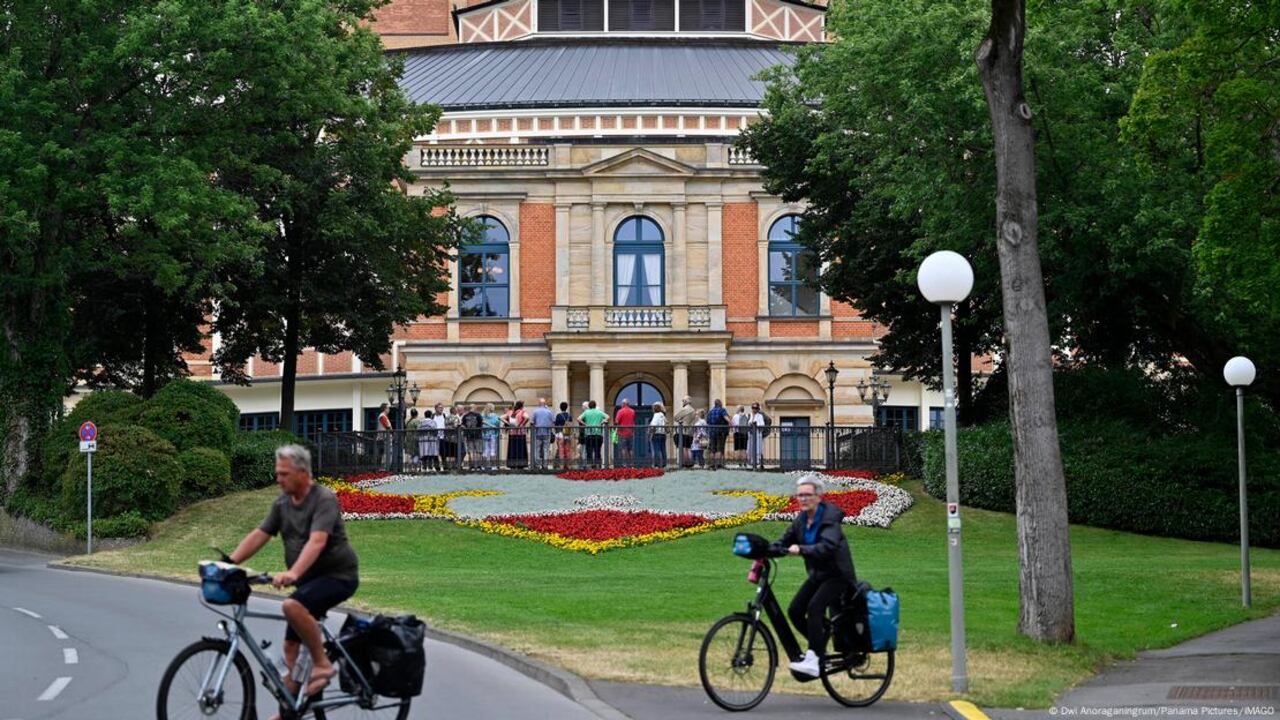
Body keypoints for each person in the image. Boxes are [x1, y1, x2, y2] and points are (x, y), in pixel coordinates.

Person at [227, 445, 359, 710]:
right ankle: (290, 712)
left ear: (302, 472)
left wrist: (293, 572)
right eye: (278, 473)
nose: (278, 479)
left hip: (338, 576)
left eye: (284, 474)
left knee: (291, 606)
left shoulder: (323, 498)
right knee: (290, 647)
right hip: (309, 583)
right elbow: (260, 534)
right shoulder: (282, 503)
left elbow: (317, 540)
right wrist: (228, 563)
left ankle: (322, 665)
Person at [777, 475, 857, 677]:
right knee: (795, 611)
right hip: (819, 575)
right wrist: (762, 551)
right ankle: (819, 648)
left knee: (814, 608)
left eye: (807, 495)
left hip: (838, 575)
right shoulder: (802, 520)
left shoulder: (829, 518)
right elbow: (784, 541)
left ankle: (813, 658)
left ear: (819, 497)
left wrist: (801, 549)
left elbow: (828, 546)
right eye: (799, 495)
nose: (803, 499)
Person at [577, 400, 608, 468]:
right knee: (597, 450)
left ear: (589, 406)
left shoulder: (586, 412)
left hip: (588, 434)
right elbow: (608, 417)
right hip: (598, 433)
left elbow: (578, 419)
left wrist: (585, 424)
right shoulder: (599, 412)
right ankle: (598, 465)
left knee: (589, 450)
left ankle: (590, 465)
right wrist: (601, 422)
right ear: (595, 405)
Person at [530, 398, 555, 470]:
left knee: (537, 449)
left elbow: (532, 422)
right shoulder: (549, 412)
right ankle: (545, 465)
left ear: (539, 404)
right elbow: (553, 421)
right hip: (547, 432)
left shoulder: (535, 411)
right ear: (545, 404)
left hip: (537, 432)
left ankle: (537, 465)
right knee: (546, 449)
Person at [707, 399, 730, 470]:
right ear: (720, 403)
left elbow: (707, 421)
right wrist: (731, 423)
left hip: (711, 432)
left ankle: (712, 464)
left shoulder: (710, 412)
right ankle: (718, 464)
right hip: (721, 432)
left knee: (712, 449)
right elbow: (726, 418)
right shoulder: (722, 410)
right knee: (719, 449)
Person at [504, 400, 529, 469]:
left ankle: (512, 464)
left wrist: (509, 424)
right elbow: (527, 417)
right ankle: (521, 464)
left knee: (512, 448)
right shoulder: (522, 412)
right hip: (520, 433)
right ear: (521, 406)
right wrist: (522, 424)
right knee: (520, 448)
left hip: (512, 433)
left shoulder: (511, 412)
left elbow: (501, 417)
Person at [673, 396, 696, 468]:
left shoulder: (685, 409)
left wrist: (680, 419)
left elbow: (675, 417)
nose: (682, 402)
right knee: (688, 448)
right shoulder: (693, 410)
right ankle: (690, 463)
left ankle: (685, 463)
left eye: (683, 400)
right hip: (690, 431)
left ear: (686, 401)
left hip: (683, 431)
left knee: (684, 448)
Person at [461, 403, 484, 470]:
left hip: (469, 436)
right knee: (478, 451)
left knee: (471, 451)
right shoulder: (478, 415)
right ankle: (478, 466)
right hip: (478, 435)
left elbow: (463, 425)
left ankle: (472, 466)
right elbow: (481, 424)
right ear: (474, 408)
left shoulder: (465, 416)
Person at [553, 401, 574, 468]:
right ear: (566, 407)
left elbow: (556, 425)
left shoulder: (558, 415)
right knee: (568, 450)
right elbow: (571, 424)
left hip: (560, 434)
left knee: (561, 450)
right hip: (568, 434)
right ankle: (568, 465)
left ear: (560, 408)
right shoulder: (569, 415)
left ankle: (562, 465)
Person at [647, 402, 667, 469]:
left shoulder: (656, 415)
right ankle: (664, 464)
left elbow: (653, 425)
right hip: (663, 434)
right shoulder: (662, 415)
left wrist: (651, 434)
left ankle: (657, 464)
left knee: (656, 450)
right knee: (663, 449)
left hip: (656, 434)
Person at [747, 402, 767, 470]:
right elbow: (748, 423)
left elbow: (762, 424)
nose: (754, 409)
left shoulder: (760, 416)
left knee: (758, 448)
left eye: (755, 408)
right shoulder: (750, 415)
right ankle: (751, 461)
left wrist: (756, 424)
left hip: (757, 433)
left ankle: (758, 462)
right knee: (751, 447)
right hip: (751, 434)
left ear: (758, 409)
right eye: (753, 408)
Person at [482, 403, 501, 470]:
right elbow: (497, 423)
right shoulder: (495, 416)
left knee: (485, 450)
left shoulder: (483, 415)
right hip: (492, 434)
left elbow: (482, 424)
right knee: (493, 450)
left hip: (485, 434)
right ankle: (493, 466)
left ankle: (484, 466)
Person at [376, 403, 392, 469]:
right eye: (388, 408)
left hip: (385, 437)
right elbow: (387, 426)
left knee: (387, 453)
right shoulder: (382, 416)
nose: (389, 410)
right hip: (384, 437)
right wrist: (391, 430)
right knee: (386, 453)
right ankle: (384, 467)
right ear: (385, 409)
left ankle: (386, 467)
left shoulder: (384, 416)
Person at [577, 401, 591, 466]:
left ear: (585, 407)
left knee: (583, 450)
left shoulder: (585, 413)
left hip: (584, 434)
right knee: (583, 449)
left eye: (582, 406)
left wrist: (585, 424)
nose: (582, 407)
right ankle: (584, 464)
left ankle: (584, 464)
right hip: (584, 434)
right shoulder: (587, 413)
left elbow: (578, 419)